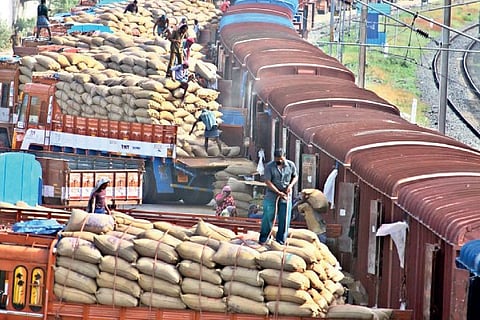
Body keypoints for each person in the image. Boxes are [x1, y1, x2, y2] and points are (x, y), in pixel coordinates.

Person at [258, 148, 298, 245]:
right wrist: (278, 192)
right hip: (272, 194)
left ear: (284, 157)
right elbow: (268, 181)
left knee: (284, 218)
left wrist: (290, 186)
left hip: (286, 195)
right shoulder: (269, 167)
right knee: (268, 215)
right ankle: (264, 238)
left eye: (281, 159)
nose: (279, 161)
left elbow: (295, 176)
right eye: (277, 159)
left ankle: (281, 240)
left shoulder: (291, 165)